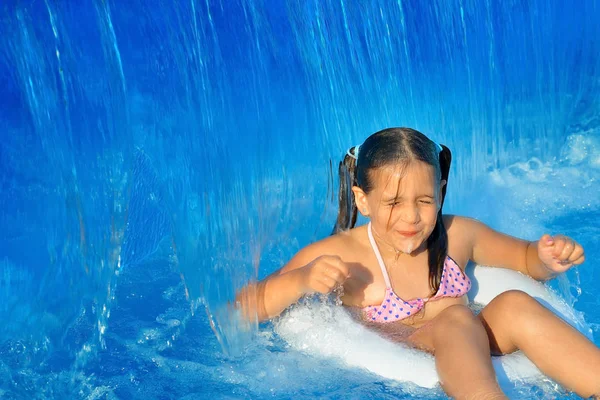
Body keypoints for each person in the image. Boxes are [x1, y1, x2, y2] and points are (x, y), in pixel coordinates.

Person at [237, 127, 599, 399]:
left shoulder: (458, 234)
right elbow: (244, 307)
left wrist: (545, 258)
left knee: (517, 304)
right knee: (456, 318)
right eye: (393, 203)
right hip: (409, 342)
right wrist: (300, 279)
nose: (411, 216)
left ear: (441, 191)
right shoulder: (343, 254)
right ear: (362, 201)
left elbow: (522, 259)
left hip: (468, 337)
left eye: (425, 200)